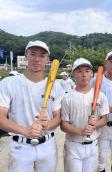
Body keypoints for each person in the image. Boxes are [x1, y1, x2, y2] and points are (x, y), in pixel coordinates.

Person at [0, 40, 64, 172]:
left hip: (47, 145)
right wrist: (25, 131)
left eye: (42, 55)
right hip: (20, 146)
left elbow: (58, 117)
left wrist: (49, 124)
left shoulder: (56, 86)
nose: (37, 59)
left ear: (47, 59)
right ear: (26, 56)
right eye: (33, 54)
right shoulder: (9, 83)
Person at [60, 58, 109, 172]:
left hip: (93, 146)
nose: (84, 75)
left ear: (92, 74)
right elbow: (63, 125)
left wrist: (94, 124)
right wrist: (81, 131)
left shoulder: (101, 96)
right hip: (73, 146)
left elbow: (104, 119)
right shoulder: (67, 97)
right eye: (79, 71)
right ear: (73, 74)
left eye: (87, 71)